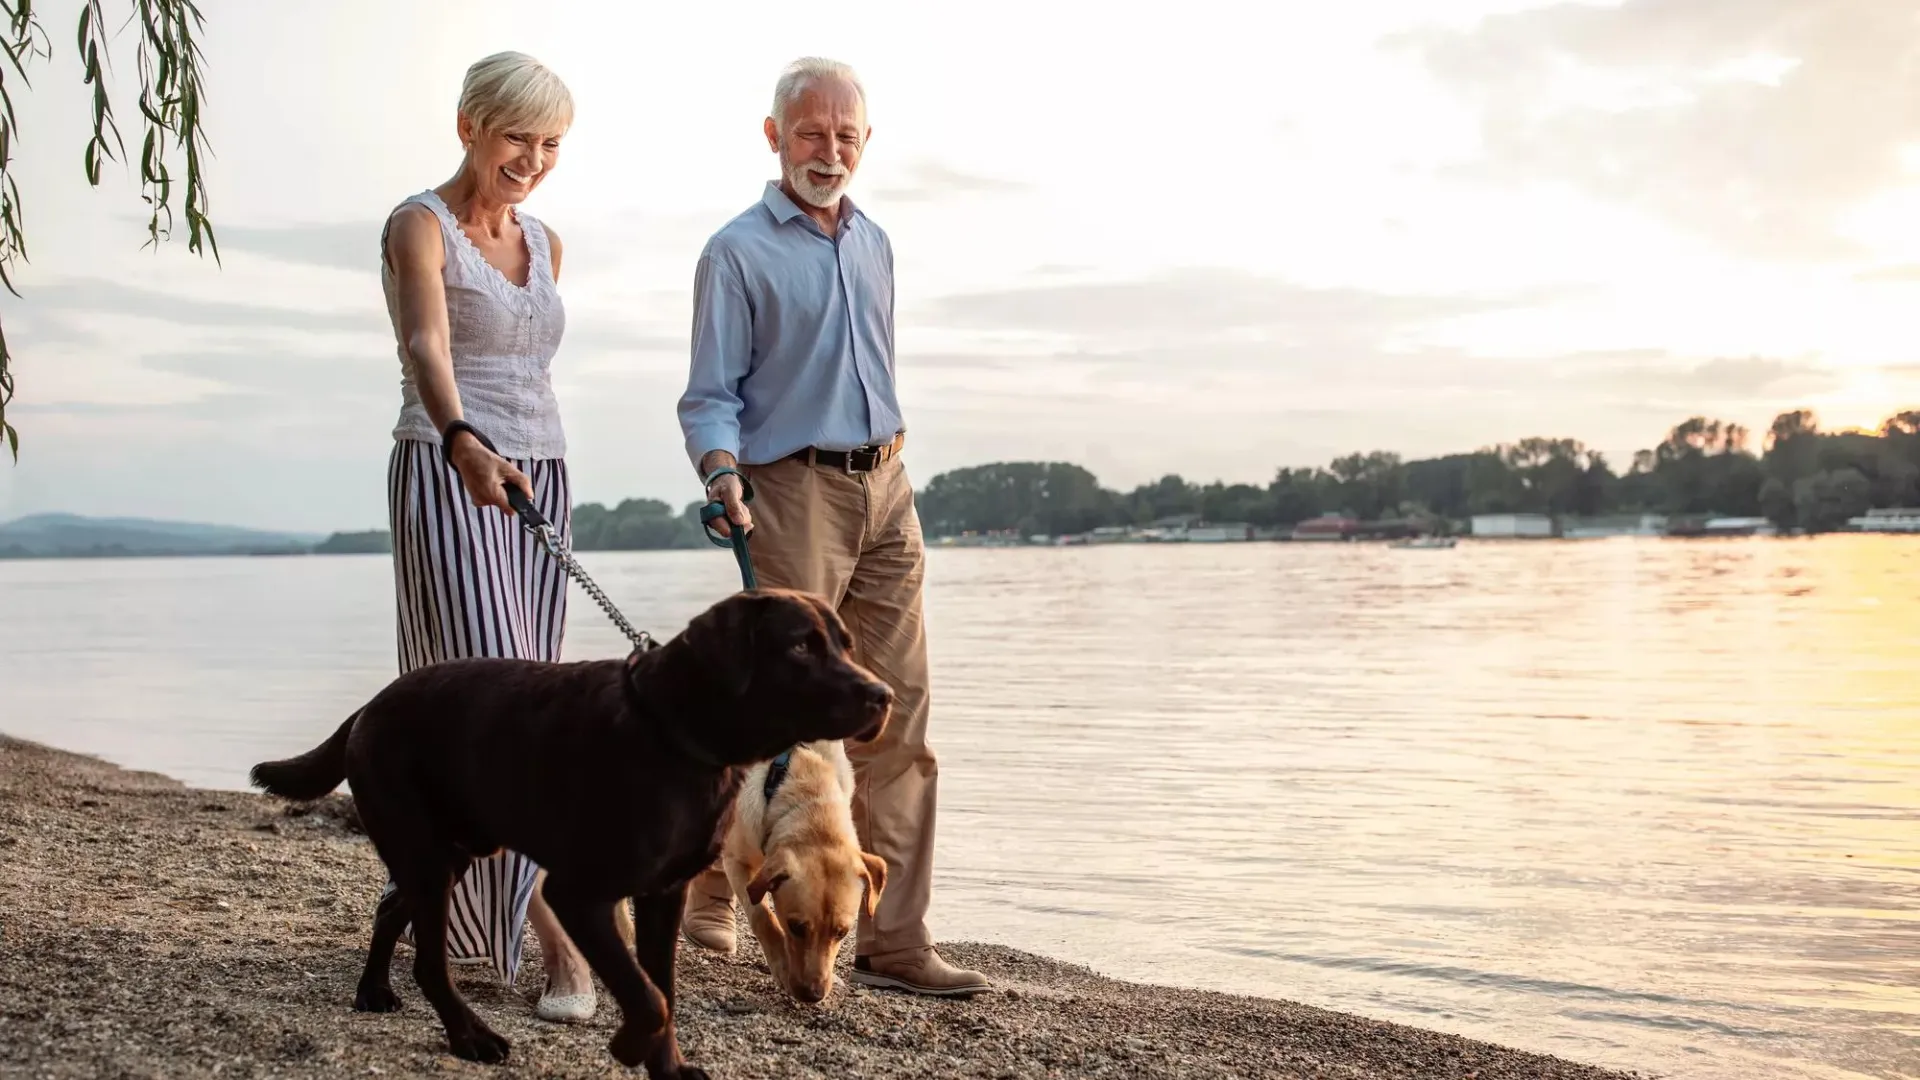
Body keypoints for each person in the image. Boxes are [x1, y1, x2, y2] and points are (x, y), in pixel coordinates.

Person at [675, 56, 990, 997]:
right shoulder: (735, 252)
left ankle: (893, 941)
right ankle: (712, 889)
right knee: (763, 719)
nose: (830, 151)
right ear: (774, 137)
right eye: (811, 133)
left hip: (889, 484)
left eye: (847, 135)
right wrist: (723, 474)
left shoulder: (875, 243)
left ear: (865, 141)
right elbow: (709, 396)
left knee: (899, 717)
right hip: (791, 490)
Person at [377, 50, 598, 1023]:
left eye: (551, 144)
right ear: (469, 124)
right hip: (448, 466)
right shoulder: (417, 225)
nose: (533, 159)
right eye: (517, 137)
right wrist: (463, 437)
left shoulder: (546, 240)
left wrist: (519, 459)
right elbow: (424, 343)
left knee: (536, 709)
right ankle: (567, 945)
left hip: (540, 474)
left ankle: (442, 916)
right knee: (492, 704)